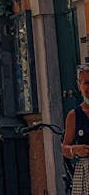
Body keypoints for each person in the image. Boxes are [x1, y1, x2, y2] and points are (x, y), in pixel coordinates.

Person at [62, 61, 89, 194]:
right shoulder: (73, 115)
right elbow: (65, 149)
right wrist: (75, 149)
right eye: (86, 83)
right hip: (85, 173)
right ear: (79, 85)